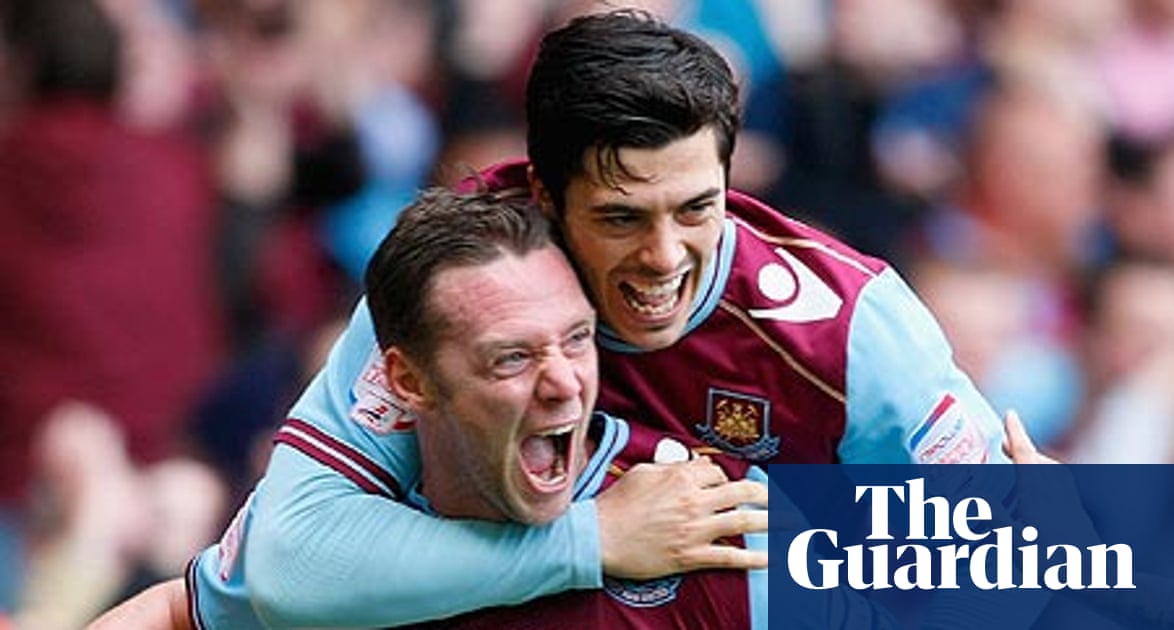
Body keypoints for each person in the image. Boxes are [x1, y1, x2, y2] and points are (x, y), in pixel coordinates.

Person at [161, 9, 1022, 628]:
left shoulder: (845, 330)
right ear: (542, 195)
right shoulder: (462, 275)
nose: (664, 256)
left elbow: (1020, 560)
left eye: (697, 209)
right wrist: (593, 541)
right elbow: (280, 569)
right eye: (621, 217)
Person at [93, 188, 768, 629]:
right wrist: (586, 542)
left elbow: (871, 564)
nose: (563, 381)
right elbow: (182, 612)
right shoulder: (341, 559)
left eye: (577, 339)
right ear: (408, 384)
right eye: (512, 357)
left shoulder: (712, 517)